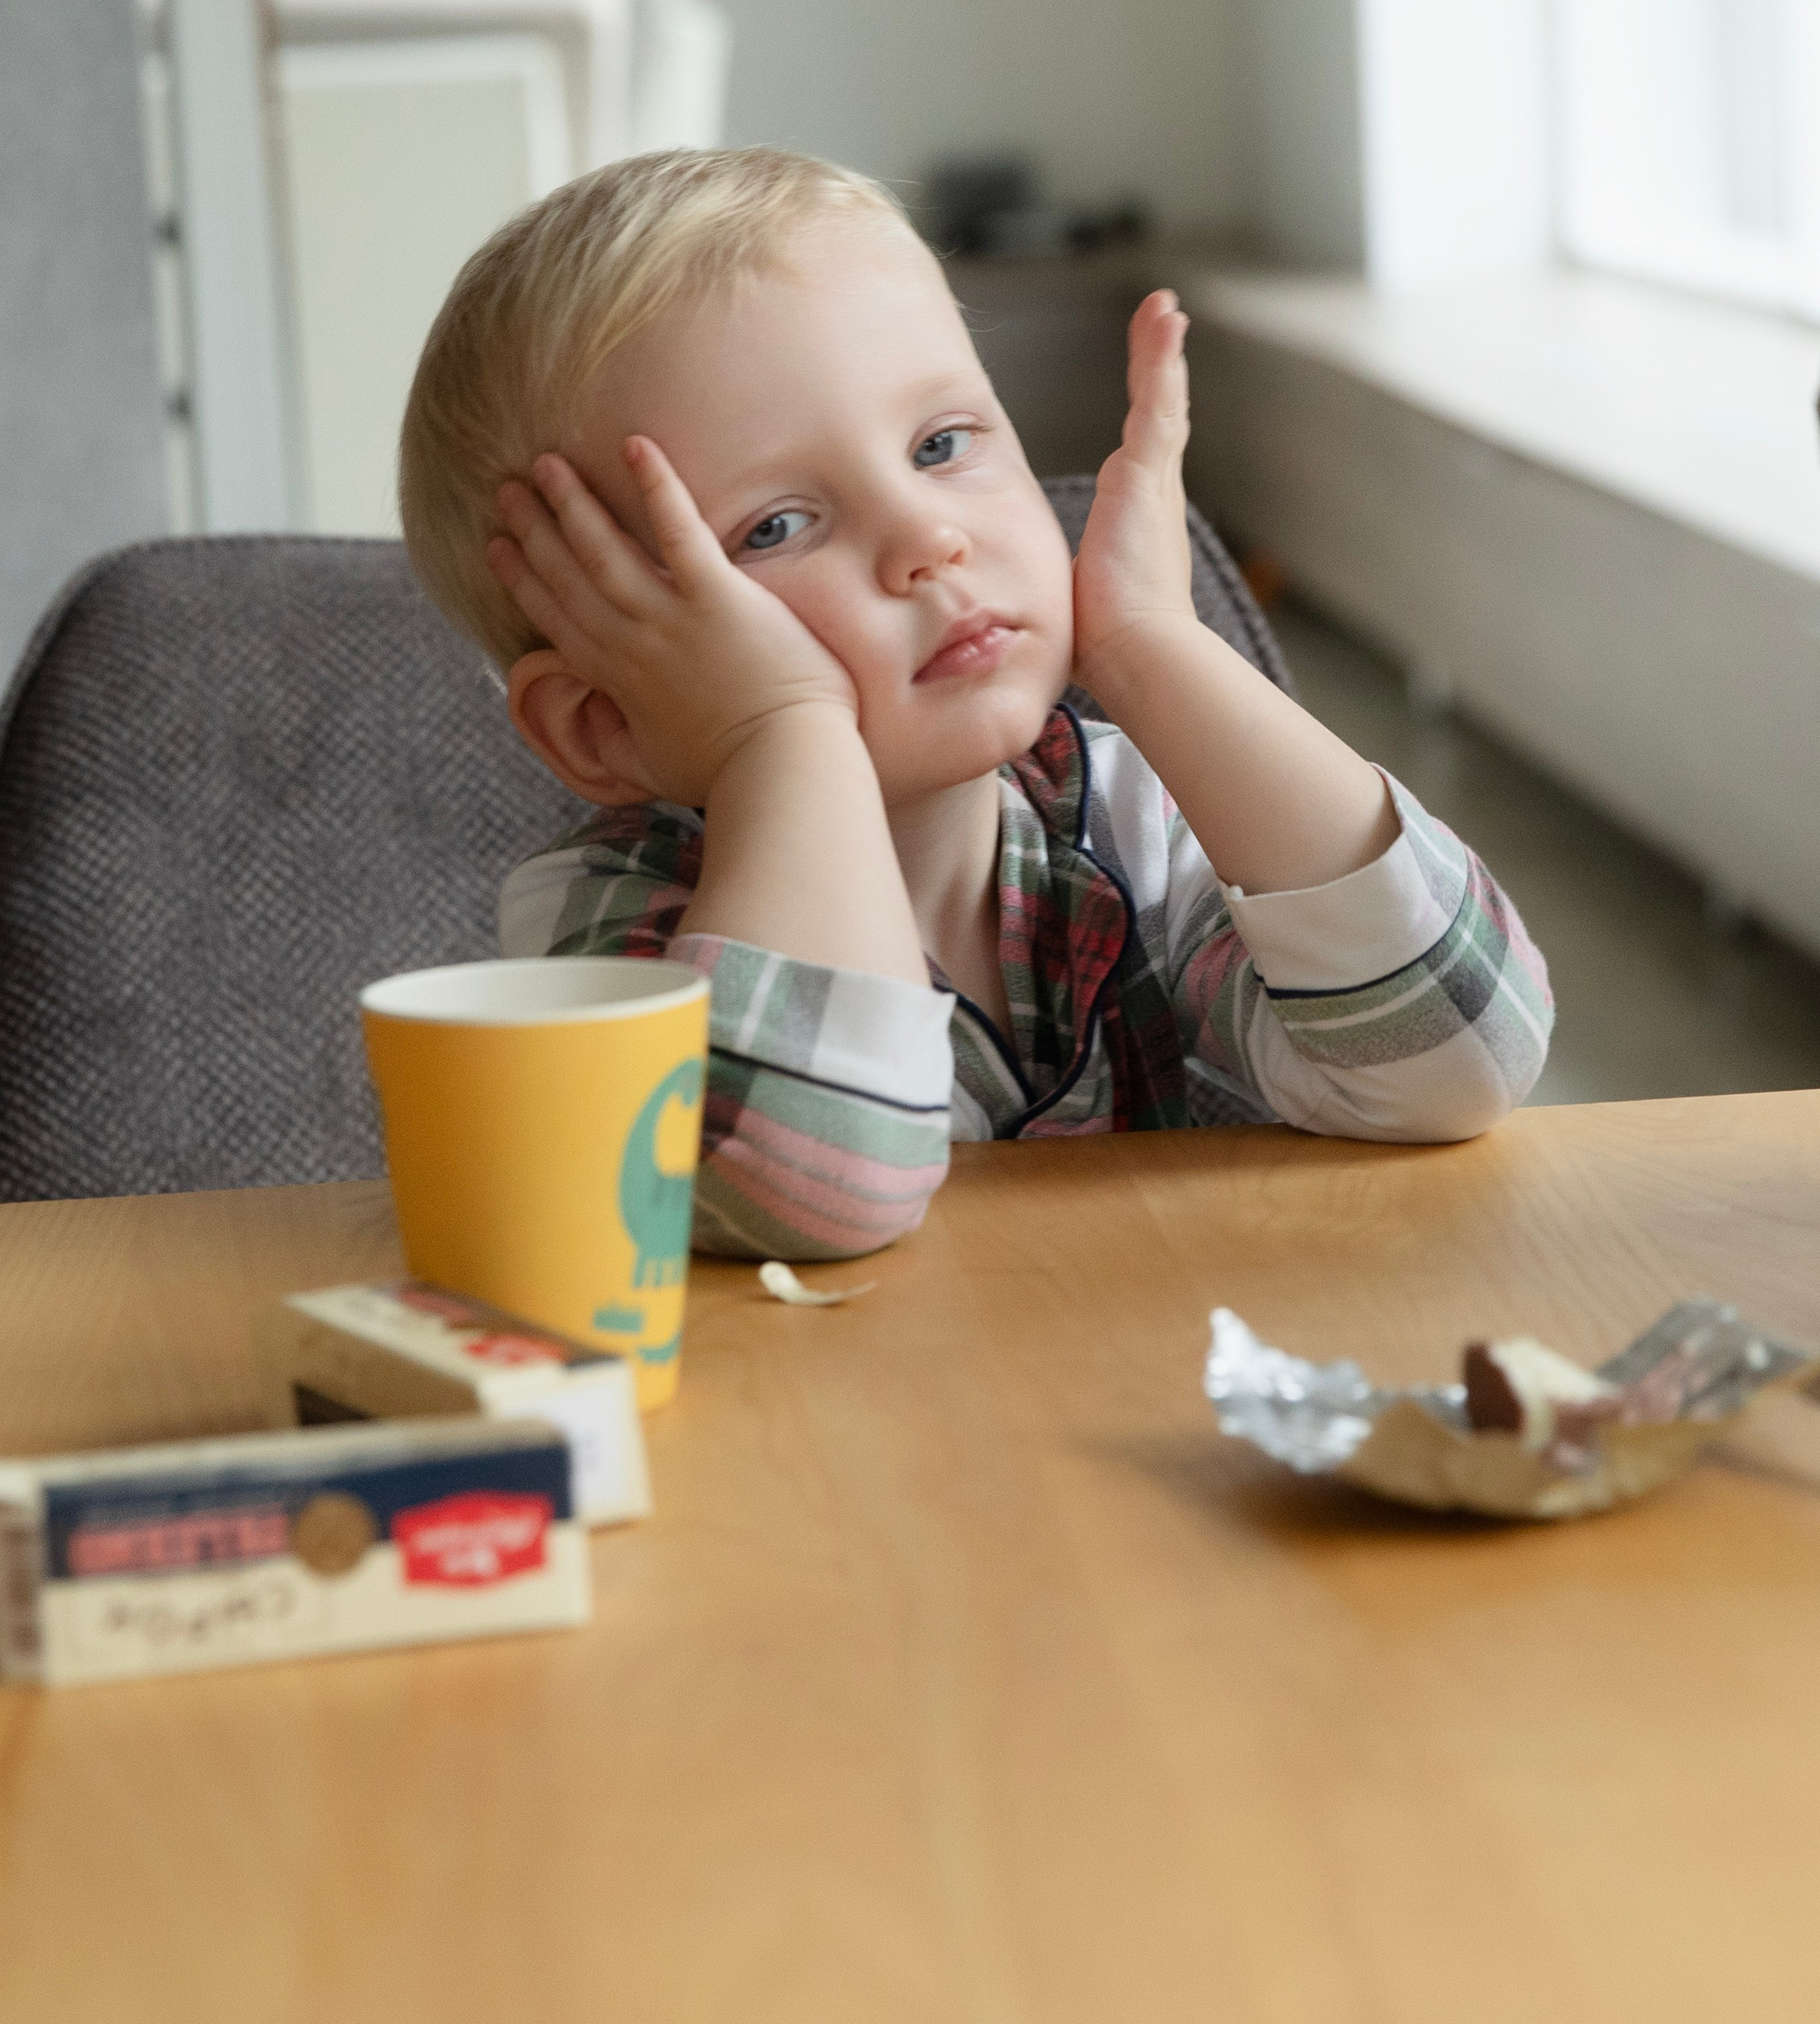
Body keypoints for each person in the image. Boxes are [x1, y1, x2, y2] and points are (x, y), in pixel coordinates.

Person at [400, 148, 1553, 1262]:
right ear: (599, 723)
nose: (926, 539)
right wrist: (783, 736)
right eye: (777, 527)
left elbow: (1458, 1060)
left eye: (942, 444)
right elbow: (807, 1193)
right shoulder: (602, 923)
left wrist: (1158, 648)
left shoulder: (1123, 821)